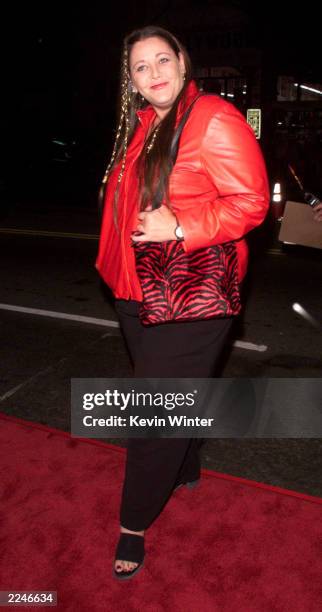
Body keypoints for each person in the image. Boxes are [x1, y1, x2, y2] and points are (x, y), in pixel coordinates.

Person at [95, 25, 269, 580]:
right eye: (141, 67)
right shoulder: (145, 124)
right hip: (134, 289)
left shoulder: (212, 117)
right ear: (131, 80)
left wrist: (181, 225)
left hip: (186, 291)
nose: (154, 73)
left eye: (162, 59)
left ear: (182, 60)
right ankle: (186, 463)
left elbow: (252, 202)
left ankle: (134, 523)